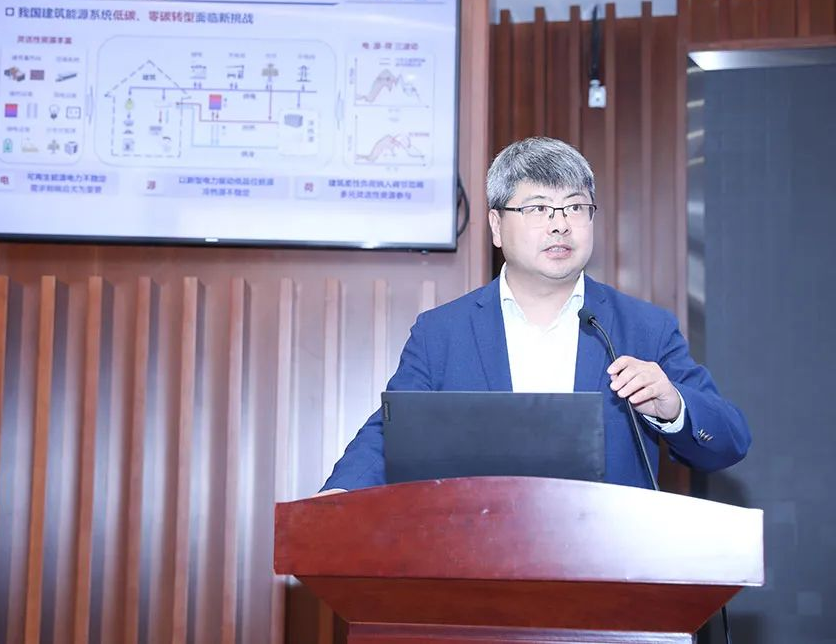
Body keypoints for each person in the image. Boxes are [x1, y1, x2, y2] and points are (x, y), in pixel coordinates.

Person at [319, 136, 750, 495]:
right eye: (538, 208)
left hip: (608, 566)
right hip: (479, 561)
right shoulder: (442, 333)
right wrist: (337, 498)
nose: (560, 224)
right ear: (495, 226)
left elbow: (728, 440)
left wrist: (674, 406)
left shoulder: (643, 328)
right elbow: (391, 435)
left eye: (575, 207)